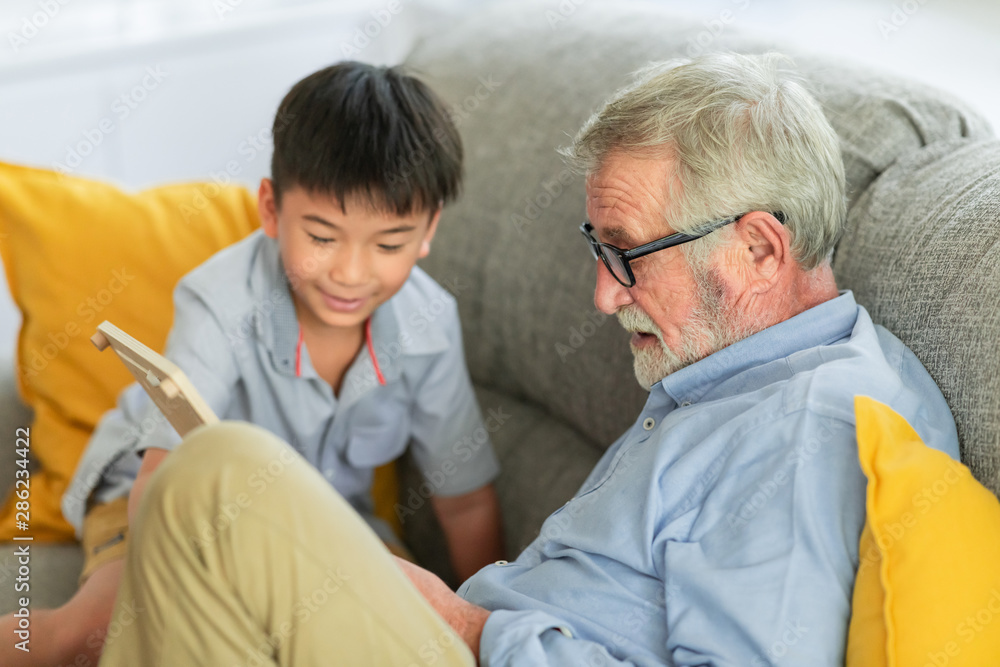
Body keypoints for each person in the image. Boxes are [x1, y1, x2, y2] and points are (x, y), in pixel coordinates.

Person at [98, 52, 959, 666]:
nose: (603, 295)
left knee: (221, 474)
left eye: (626, 253)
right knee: (200, 514)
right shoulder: (737, 374)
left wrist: (473, 630)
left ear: (762, 250)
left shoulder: (812, 434)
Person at [0, 61, 504, 667]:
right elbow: (161, 475)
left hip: (322, 517)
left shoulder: (430, 324)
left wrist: (480, 623)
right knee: (94, 633)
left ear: (427, 232)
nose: (350, 272)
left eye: (389, 245)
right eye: (322, 237)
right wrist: (183, 582)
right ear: (271, 209)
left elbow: (466, 502)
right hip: (155, 491)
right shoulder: (220, 298)